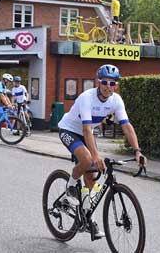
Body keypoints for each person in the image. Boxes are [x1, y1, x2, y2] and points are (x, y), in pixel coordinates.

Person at [57, 64, 147, 238]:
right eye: (105, 82)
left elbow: (127, 126)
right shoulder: (87, 98)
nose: (108, 87)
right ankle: (70, 187)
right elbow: (87, 130)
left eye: (112, 84)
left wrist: (137, 151)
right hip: (69, 130)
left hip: (87, 133)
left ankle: (86, 218)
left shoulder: (116, 100)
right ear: (98, 82)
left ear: (116, 85)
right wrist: (96, 156)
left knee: (91, 177)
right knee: (88, 159)